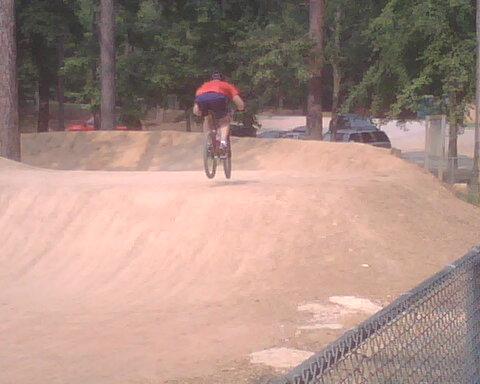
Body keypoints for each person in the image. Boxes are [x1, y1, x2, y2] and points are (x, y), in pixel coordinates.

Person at [193, 72, 245, 153]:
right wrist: (241, 108)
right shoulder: (226, 85)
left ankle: (209, 142)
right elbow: (238, 101)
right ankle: (223, 143)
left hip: (202, 99)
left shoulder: (204, 86)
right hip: (218, 98)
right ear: (222, 80)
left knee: (207, 118)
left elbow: (197, 104)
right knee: (224, 121)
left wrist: (197, 112)